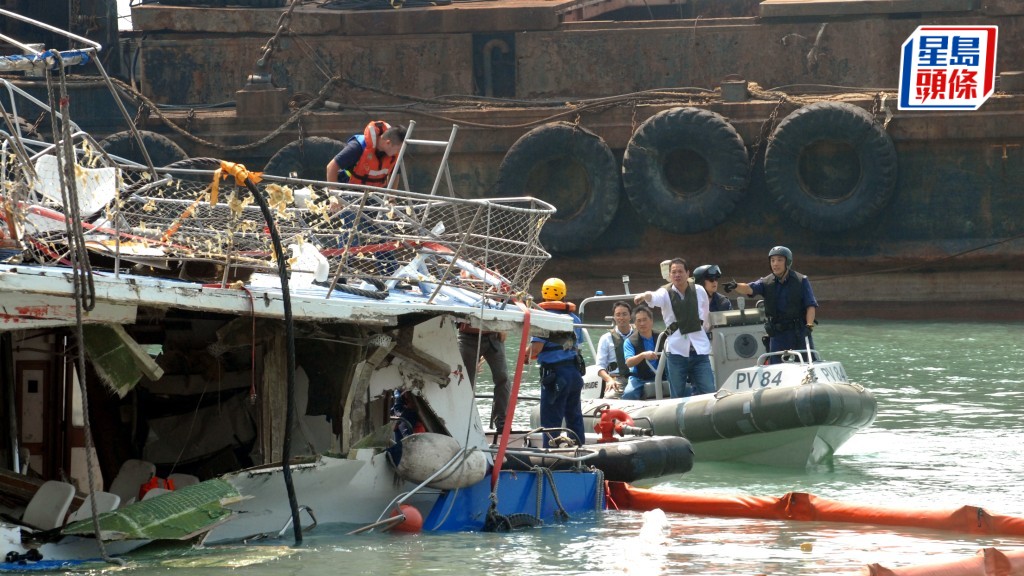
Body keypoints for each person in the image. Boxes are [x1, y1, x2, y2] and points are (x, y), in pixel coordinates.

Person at [723, 245, 818, 364]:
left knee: (808, 363)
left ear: (787, 262)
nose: (775, 264)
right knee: (775, 365)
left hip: (799, 331)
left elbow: (810, 306)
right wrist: (736, 286)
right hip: (778, 334)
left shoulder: (801, 280)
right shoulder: (766, 282)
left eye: (779, 260)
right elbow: (749, 288)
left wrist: (809, 326)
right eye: (772, 260)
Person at [634, 258, 714, 397]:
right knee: (677, 394)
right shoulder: (665, 292)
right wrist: (644, 295)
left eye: (680, 271)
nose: (677, 275)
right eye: (674, 272)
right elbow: (654, 297)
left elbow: (705, 314)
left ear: (687, 273)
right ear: (670, 275)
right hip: (677, 352)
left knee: (708, 390)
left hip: (699, 351)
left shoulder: (699, 290)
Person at [529, 278, 585, 448]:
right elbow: (577, 345)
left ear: (543, 293)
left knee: (551, 418)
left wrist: (525, 355)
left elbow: (535, 349)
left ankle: (550, 454)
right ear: (563, 293)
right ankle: (579, 451)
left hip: (555, 376)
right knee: (574, 415)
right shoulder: (574, 318)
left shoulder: (542, 317)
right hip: (574, 373)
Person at [457, 321, 511, 434]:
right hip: (468, 338)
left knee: (503, 377)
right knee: (466, 382)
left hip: (493, 336)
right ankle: (465, 420)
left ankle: (502, 421)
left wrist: (503, 327)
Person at [326, 120, 407, 185]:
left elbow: (395, 174)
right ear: (388, 143)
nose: (399, 152)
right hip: (348, 188)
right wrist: (334, 195)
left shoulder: (392, 155)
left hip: (372, 194)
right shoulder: (357, 147)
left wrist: (390, 197)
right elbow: (331, 167)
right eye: (398, 149)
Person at [594, 301, 633, 399]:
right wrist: (609, 380)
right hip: (617, 379)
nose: (621, 318)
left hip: (638, 377)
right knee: (610, 397)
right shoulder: (605, 338)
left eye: (624, 314)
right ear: (614, 317)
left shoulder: (639, 334)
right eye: (618, 315)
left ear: (630, 316)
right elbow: (599, 367)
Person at [621, 305, 660, 400]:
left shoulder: (662, 337)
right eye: (639, 321)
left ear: (651, 321)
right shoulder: (629, 341)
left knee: (686, 388)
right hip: (639, 378)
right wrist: (643, 355)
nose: (642, 323)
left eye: (645, 319)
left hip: (662, 376)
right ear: (634, 323)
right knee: (629, 394)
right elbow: (629, 362)